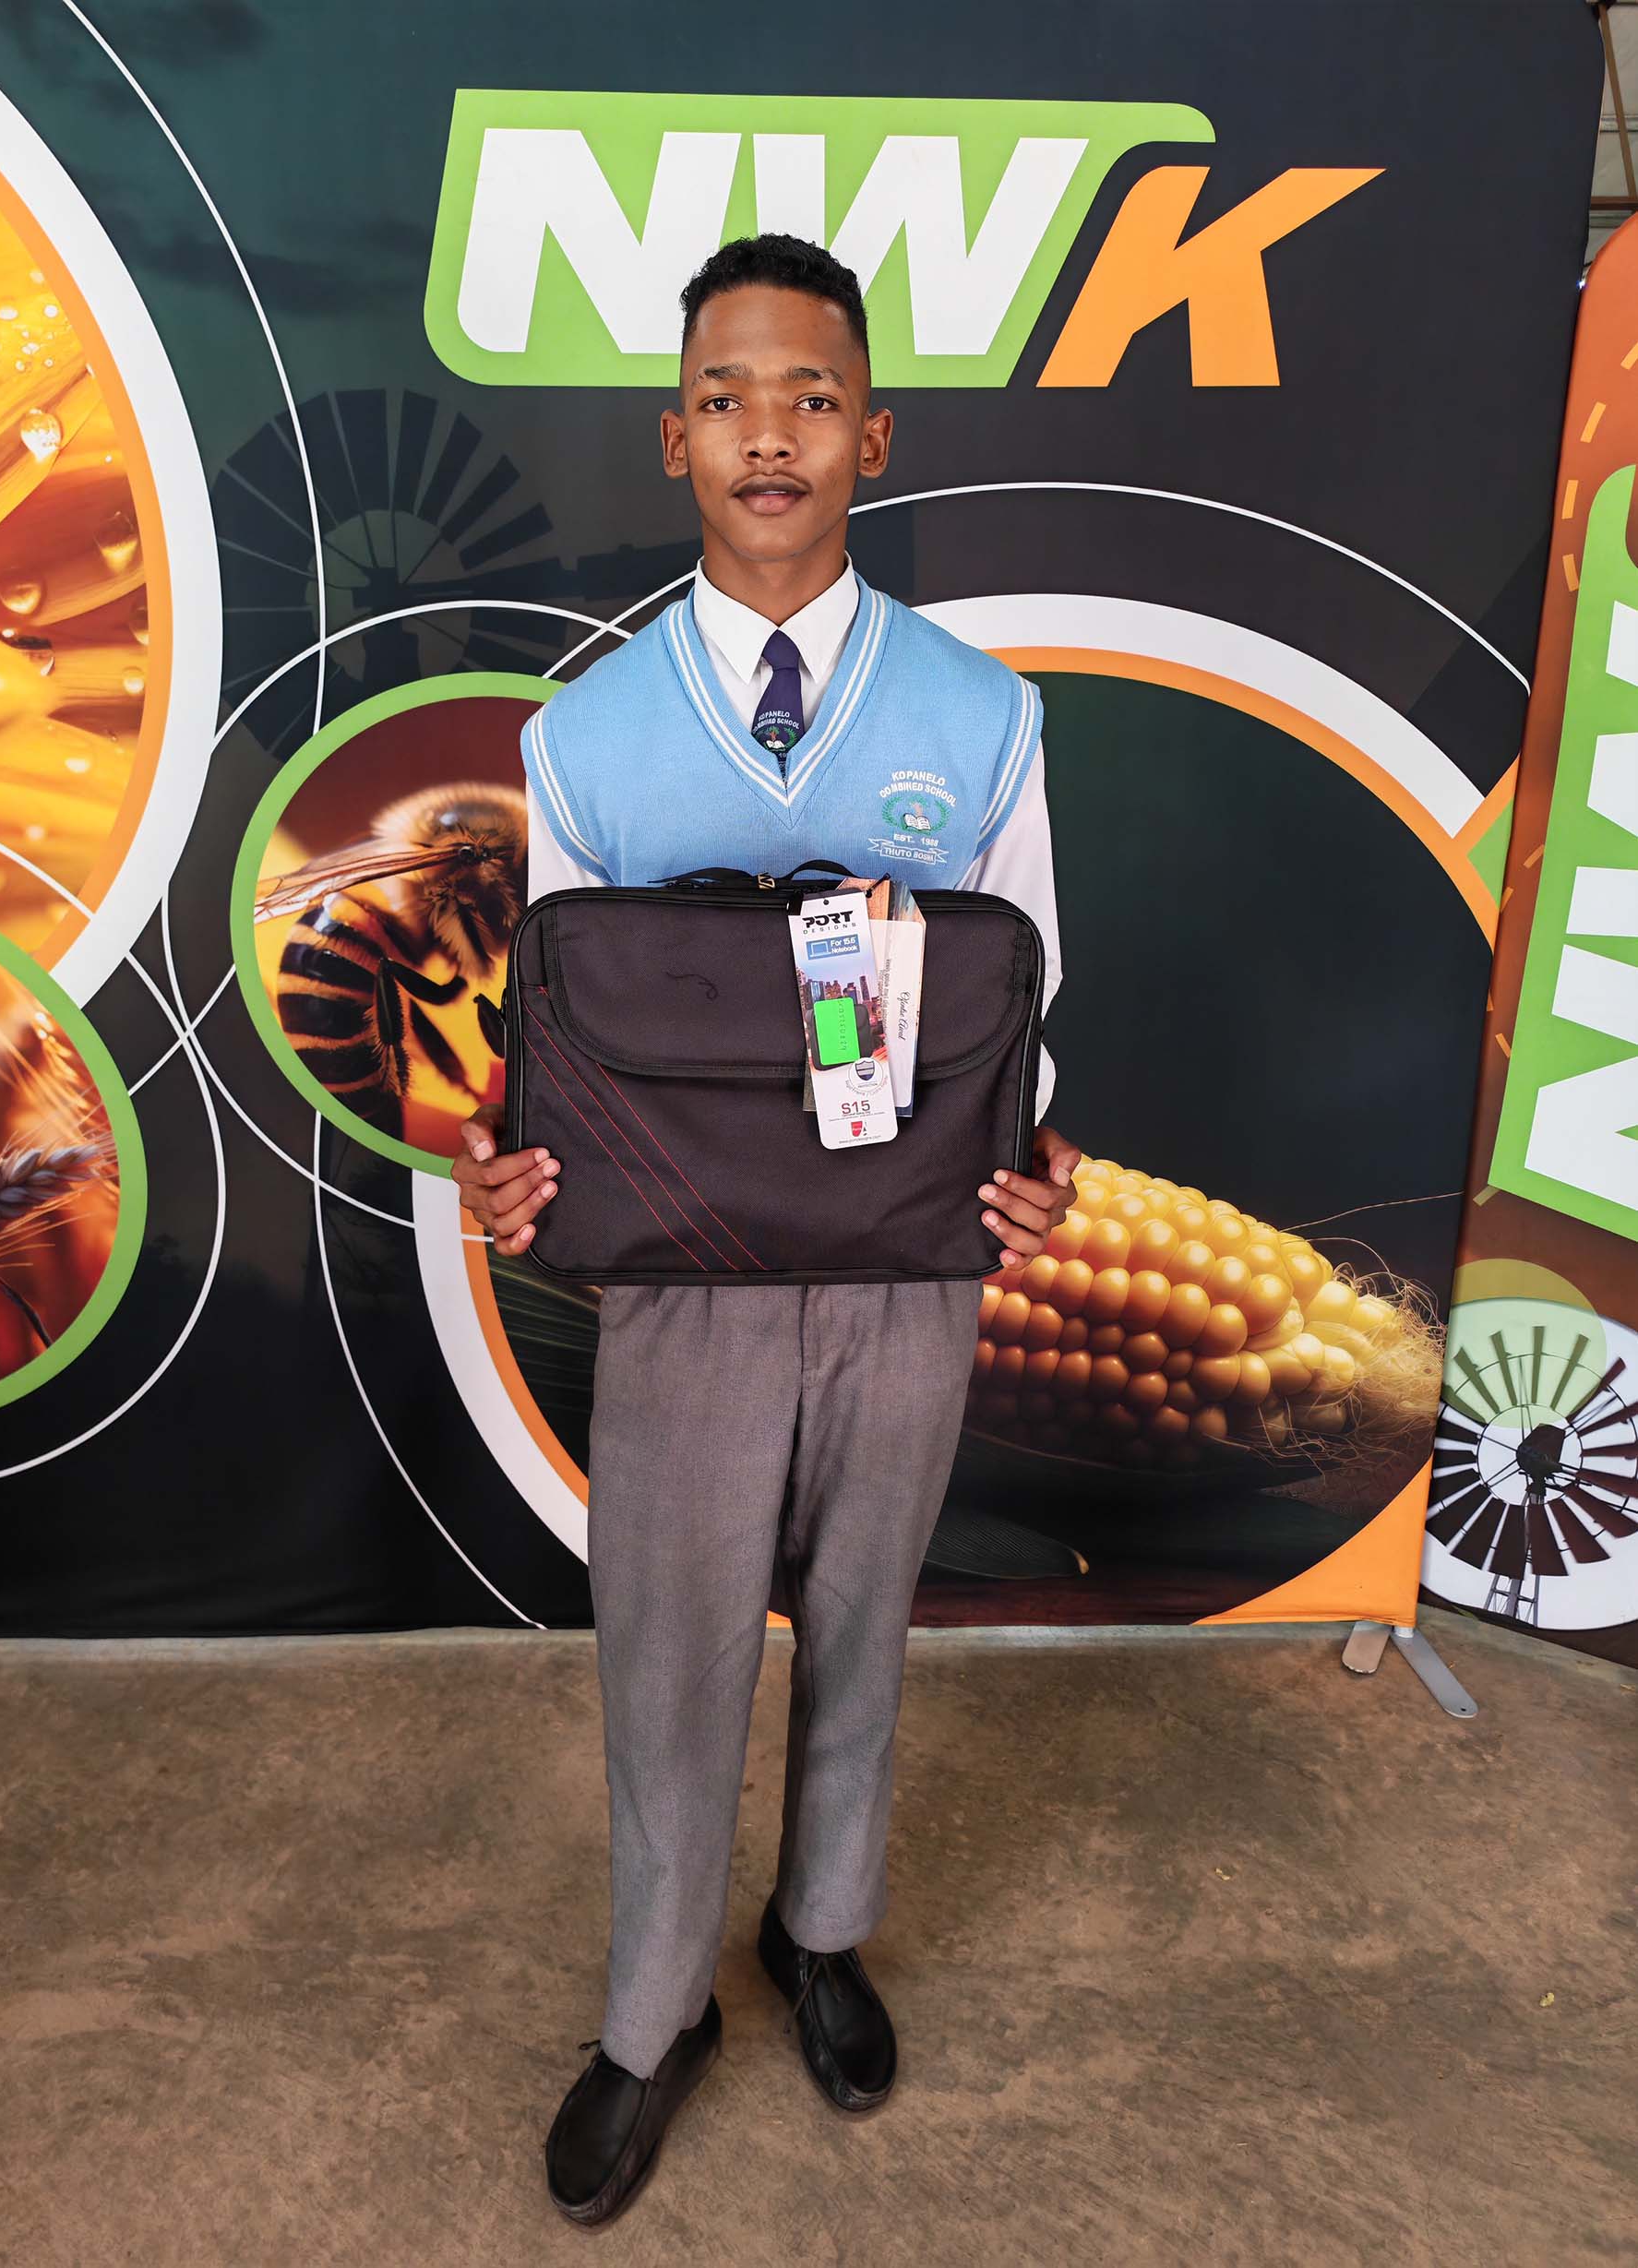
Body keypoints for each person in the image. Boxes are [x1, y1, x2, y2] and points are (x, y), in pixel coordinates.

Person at [452, 233, 1077, 2229]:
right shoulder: (586, 738)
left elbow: (1028, 994)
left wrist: (1038, 1153)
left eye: (813, 394)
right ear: (677, 441)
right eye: (726, 396)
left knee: (866, 1613)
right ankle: (654, 2014)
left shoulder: (982, 715)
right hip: (685, 1283)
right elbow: (551, 1037)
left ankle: (820, 1930)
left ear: (872, 436)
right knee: (671, 1643)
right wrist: (503, 1162)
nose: (770, 431)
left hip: (907, 1262)